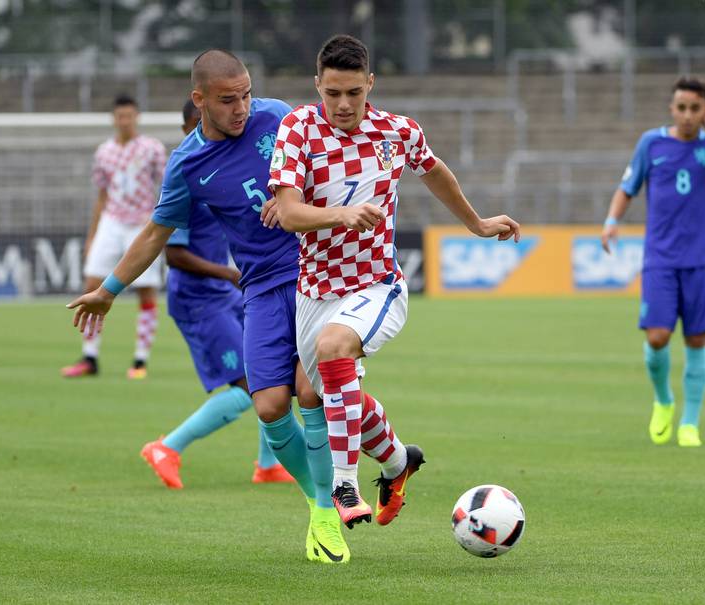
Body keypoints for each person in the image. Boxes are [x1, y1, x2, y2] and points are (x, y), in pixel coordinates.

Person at [67, 50, 351, 563]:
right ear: (199, 101)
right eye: (227, 99)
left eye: (245, 93)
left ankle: (332, 509)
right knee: (268, 406)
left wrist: (296, 202)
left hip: (316, 272)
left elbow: (334, 158)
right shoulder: (187, 166)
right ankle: (323, 500)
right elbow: (158, 234)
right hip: (260, 288)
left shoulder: (279, 115)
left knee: (311, 393)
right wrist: (108, 290)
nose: (242, 107)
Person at [266, 34, 520, 528]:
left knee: (335, 348)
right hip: (315, 291)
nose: (343, 104)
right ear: (317, 84)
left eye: (354, 93)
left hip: (377, 285)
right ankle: (400, 462)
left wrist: (476, 223)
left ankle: (344, 484)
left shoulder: (397, 132)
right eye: (333, 92)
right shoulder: (297, 128)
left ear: (370, 85)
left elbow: (434, 169)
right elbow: (291, 213)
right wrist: (341, 214)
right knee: (336, 398)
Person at [140, 100, 293, 488]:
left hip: (226, 294)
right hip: (196, 299)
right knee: (246, 387)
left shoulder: (222, 167)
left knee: (273, 375)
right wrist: (226, 271)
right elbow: (173, 254)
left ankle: (268, 464)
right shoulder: (188, 175)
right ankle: (167, 447)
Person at [601, 76, 705, 447]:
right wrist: (611, 222)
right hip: (660, 260)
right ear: (672, 108)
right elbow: (627, 187)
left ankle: (690, 423)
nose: (687, 115)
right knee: (658, 335)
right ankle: (664, 400)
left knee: (697, 340)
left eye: (695, 109)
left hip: (700, 261)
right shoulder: (652, 143)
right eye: (681, 108)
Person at [61, 94, 167, 380]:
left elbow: (167, 186)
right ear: (114, 119)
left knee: (146, 291)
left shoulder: (151, 149)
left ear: (137, 117)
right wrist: (92, 235)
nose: (124, 121)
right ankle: (90, 356)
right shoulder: (104, 152)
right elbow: (101, 195)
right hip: (111, 222)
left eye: (129, 116)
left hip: (141, 224)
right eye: (120, 116)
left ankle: (140, 360)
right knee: (93, 284)